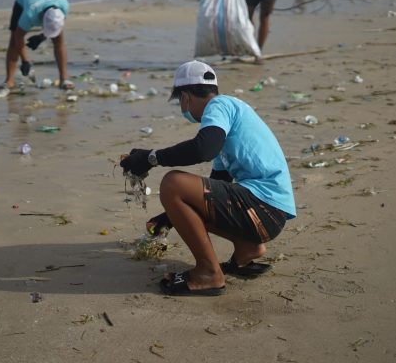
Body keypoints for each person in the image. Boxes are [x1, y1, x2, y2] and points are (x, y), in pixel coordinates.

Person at [120, 61, 296, 296]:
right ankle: (247, 247)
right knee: (185, 193)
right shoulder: (230, 117)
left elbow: (203, 149)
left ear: (185, 97)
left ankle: (207, 273)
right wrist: (169, 216)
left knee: (172, 183)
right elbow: (217, 187)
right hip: (268, 214)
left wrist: (150, 158)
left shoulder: (219, 106)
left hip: (264, 207)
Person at [2, 0, 72, 90]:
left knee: (59, 40)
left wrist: (42, 37)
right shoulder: (29, 14)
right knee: (13, 42)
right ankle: (9, 81)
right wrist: (25, 61)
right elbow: (18, 37)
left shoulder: (64, 6)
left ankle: (64, 78)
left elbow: (55, 26)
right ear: (41, 19)